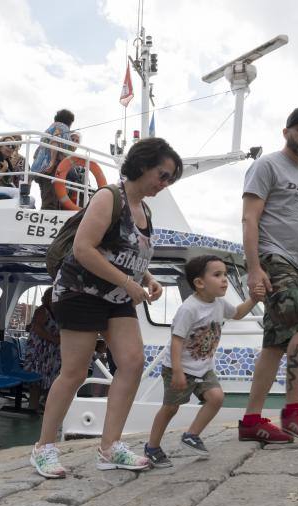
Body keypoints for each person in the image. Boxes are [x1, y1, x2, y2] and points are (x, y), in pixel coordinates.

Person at [30, 137, 183, 479]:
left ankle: (110, 446)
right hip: (80, 291)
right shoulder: (108, 197)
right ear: (142, 165)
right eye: (163, 174)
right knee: (75, 372)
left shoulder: (146, 210)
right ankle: (44, 447)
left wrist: (148, 276)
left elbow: (125, 249)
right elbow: (84, 249)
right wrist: (130, 284)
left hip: (116, 297)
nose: (165, 183)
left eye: (170, 178)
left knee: (131, 362)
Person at [238, 106, 298, 444]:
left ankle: (251, 420)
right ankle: (293, 410)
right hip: (272, 260)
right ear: (286, 132)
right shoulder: (266, 166)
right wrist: (254, 268)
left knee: (275, 345)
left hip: (296, 265)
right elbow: (250, 219)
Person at [144, 255, 264, 468]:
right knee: (170, 408)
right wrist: (179, 372)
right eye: (217, 275)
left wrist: (253, 300)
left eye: (225, 274)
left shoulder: (219, 303)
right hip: (178, 368)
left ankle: (191, 435)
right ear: (199, 283)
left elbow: (236, 314)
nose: (225, 280)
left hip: (203, 368)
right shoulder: (189, 309)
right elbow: (176, 341)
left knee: (216, 397)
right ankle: (152, 446)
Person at [22, 288, 60, 411]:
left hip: (50, 353)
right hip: (39, 351)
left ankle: (43, 404)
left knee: (49, 378)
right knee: (36, 379)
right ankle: (33, 406)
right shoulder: (43, 311)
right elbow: (36, 328)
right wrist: (53, 339)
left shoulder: (56, 312)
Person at [31, 109, 74, 209]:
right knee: (50, 200)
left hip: (40, 168)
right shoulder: (61, 127)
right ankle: (46, 221)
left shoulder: (49, 129)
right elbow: (54, 143)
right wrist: (51, 162)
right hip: (51, 168)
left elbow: (38, 151)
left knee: (46, 197)